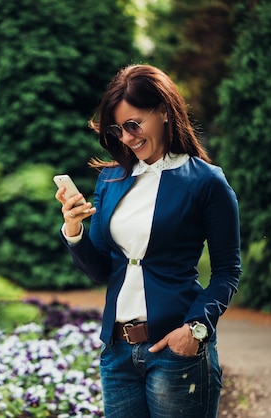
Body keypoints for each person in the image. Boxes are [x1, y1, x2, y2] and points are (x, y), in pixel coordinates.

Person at [55, 64, 241, 418]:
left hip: (176, 352)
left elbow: (228, 272)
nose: (126, 138)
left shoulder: (207, 182)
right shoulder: (111, 179)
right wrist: (74, 230)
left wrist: (195, 330)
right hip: (117, 355)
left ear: (165, 113)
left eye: (133, 125)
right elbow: (98, 270)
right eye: (117, 129)